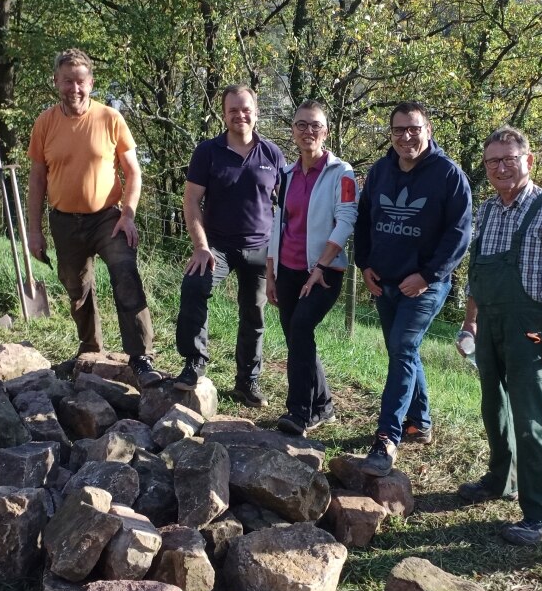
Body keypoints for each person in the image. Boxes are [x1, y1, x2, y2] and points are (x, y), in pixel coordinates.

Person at [456, 125, 542, 545]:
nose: (500, 168)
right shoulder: (489, 211)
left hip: (530, 327)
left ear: (528, 161)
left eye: (509, 159)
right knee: (493, 407)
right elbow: (476, 277)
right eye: (492, 162)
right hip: (489, 324)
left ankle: (541, 513)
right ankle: (499, 480)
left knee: (533, 418)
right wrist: (470, 321)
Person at [26, 49, 160, 381]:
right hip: (64, 220)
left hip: (108, 219)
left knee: (125, 274)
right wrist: (34, 230)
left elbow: (134, 172)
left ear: (91, 83)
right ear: (56, 82)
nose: (74, 88)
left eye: (80, 81)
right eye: (67, 81)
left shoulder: (110, 118)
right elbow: (37, 178)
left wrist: (128, 215)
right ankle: (90, 348)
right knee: (76, 288)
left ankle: (140, 357)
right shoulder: (45, 123)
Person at [355, 101, 472, 477]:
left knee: (402, 348)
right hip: (384, 279)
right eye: (398, 130)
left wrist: (427, 276)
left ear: (428, 129)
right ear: (390, 133)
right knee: (401, 349)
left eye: (413, 129)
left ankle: (387, 438)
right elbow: (364, 218)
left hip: (425, 286)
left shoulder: (448, 175)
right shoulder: (380, 170)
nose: (406, 137)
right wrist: (364, 264)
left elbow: (459, 234)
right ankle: (420, 422)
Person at [175, 84, 285, 406]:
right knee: (195, 284)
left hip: (260, 250)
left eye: (246, 109)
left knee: (255, 313)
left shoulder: (273, 154)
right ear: (223, 115)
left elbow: (286, 207)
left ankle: (247, 383)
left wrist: (280, 254)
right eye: (233, 110)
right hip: (217, 247)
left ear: (256, 112)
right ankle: (194, 362)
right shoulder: (208, 152)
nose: (240, 115)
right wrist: (201, 246)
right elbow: (192, 201)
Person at [266, 101, 358, 436]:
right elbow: (279, 223)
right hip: (288, 269)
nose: (308, 131)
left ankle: (299, 411)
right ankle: (324, 405)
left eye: (315, 125)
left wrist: (322, 264)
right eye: (301, 125)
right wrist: (271, 270)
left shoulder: (341, 173)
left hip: (325, 271)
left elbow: (347, 219)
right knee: (296, 336)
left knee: (302, 329)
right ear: (292, 130)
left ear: (326, 131)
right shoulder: (286, 175)